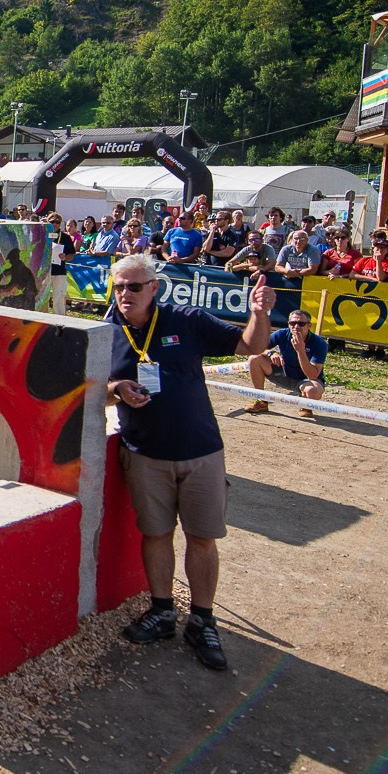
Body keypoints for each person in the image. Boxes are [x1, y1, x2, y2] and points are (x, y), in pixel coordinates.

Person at [107, 253, 273, 673]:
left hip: (200, 453)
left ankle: (202, 621)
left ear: (154, 288)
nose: (125, 294)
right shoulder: (105, 330)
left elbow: (252, 347)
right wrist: (117, 388)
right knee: (156, 534)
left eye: (134, 286)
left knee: (202, 538)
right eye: (119, 286)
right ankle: (162, 611)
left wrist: (259, 313)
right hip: (145, 455)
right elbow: (92, 388)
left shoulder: (187, 320)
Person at [245, 307, 327, 416]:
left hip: (305, 380)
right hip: (284, 373)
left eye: (301, 324)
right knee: (254, 359)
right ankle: (261, 401)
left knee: (314, 391)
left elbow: (312, 375)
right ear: (288, 324)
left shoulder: (319, 343)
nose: (296, 327)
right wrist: (271, 353)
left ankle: (305, 405)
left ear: (309, 326)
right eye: (293, 323)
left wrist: (300, 351)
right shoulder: (282, 334)